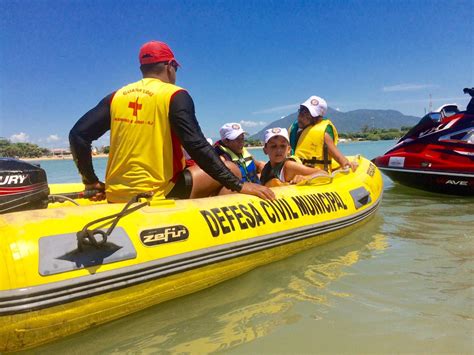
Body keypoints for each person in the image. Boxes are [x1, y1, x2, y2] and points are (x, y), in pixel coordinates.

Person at [69, 40, 274, 202]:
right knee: (231, 169)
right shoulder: (174, 95)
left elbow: (78, 135)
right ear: (170, 66)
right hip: (159, 193)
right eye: (176, 68)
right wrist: (239, 185)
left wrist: (91, 181)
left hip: (116, 194)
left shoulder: (117, 96)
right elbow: (196, 145)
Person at [289, 96, 357, 172]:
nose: (301, 118)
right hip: (298, 173)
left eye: (308, 116)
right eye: (301, 112)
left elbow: (339, 158)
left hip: (317, 176)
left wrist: (347, 164)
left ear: (318, 119)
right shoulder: (296, 134)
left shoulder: (323, 135)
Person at [260, 127, 328, 186]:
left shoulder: (289, 166)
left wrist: (307, 177)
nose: (279, 150)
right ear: (265, 150)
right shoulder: (266, 169)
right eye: (273, 146)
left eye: (283, 146)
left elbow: (324, 173)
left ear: (289, 149)